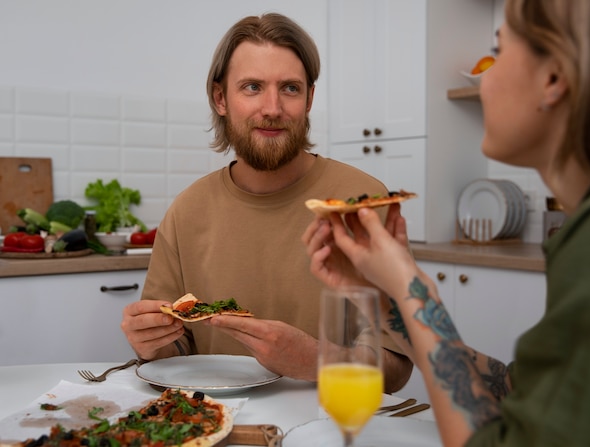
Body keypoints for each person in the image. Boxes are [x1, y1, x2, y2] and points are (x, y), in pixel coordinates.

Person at [303, 0, 590, 445]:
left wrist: (415, 290)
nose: (483, 79)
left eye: (497, 54)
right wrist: (389, 295)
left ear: (553, 78)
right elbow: (509, 391)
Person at [120, 12, 412, 393]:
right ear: (221, 98)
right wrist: (150, 344)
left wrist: (314, 360)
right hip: (212, 423)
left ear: (309, 99)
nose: (272, 107)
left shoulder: (363, 204)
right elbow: (177, 349)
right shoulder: (186, 211)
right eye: (253, 87)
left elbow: (397, 367)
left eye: (290, 88)